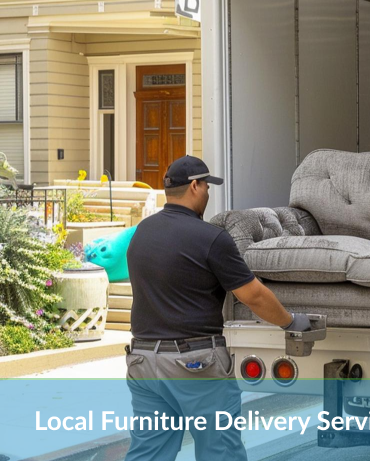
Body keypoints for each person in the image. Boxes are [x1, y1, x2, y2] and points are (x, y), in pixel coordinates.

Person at [124, 155, 312, 461]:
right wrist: (291, 322)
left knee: (149, 453)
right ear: (195, 186)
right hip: (195, 364)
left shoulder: (142, 233)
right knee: (219, 451)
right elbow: (254, 296)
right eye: (207, 187)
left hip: (143, 361)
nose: (209, 195)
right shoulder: (211, 238)